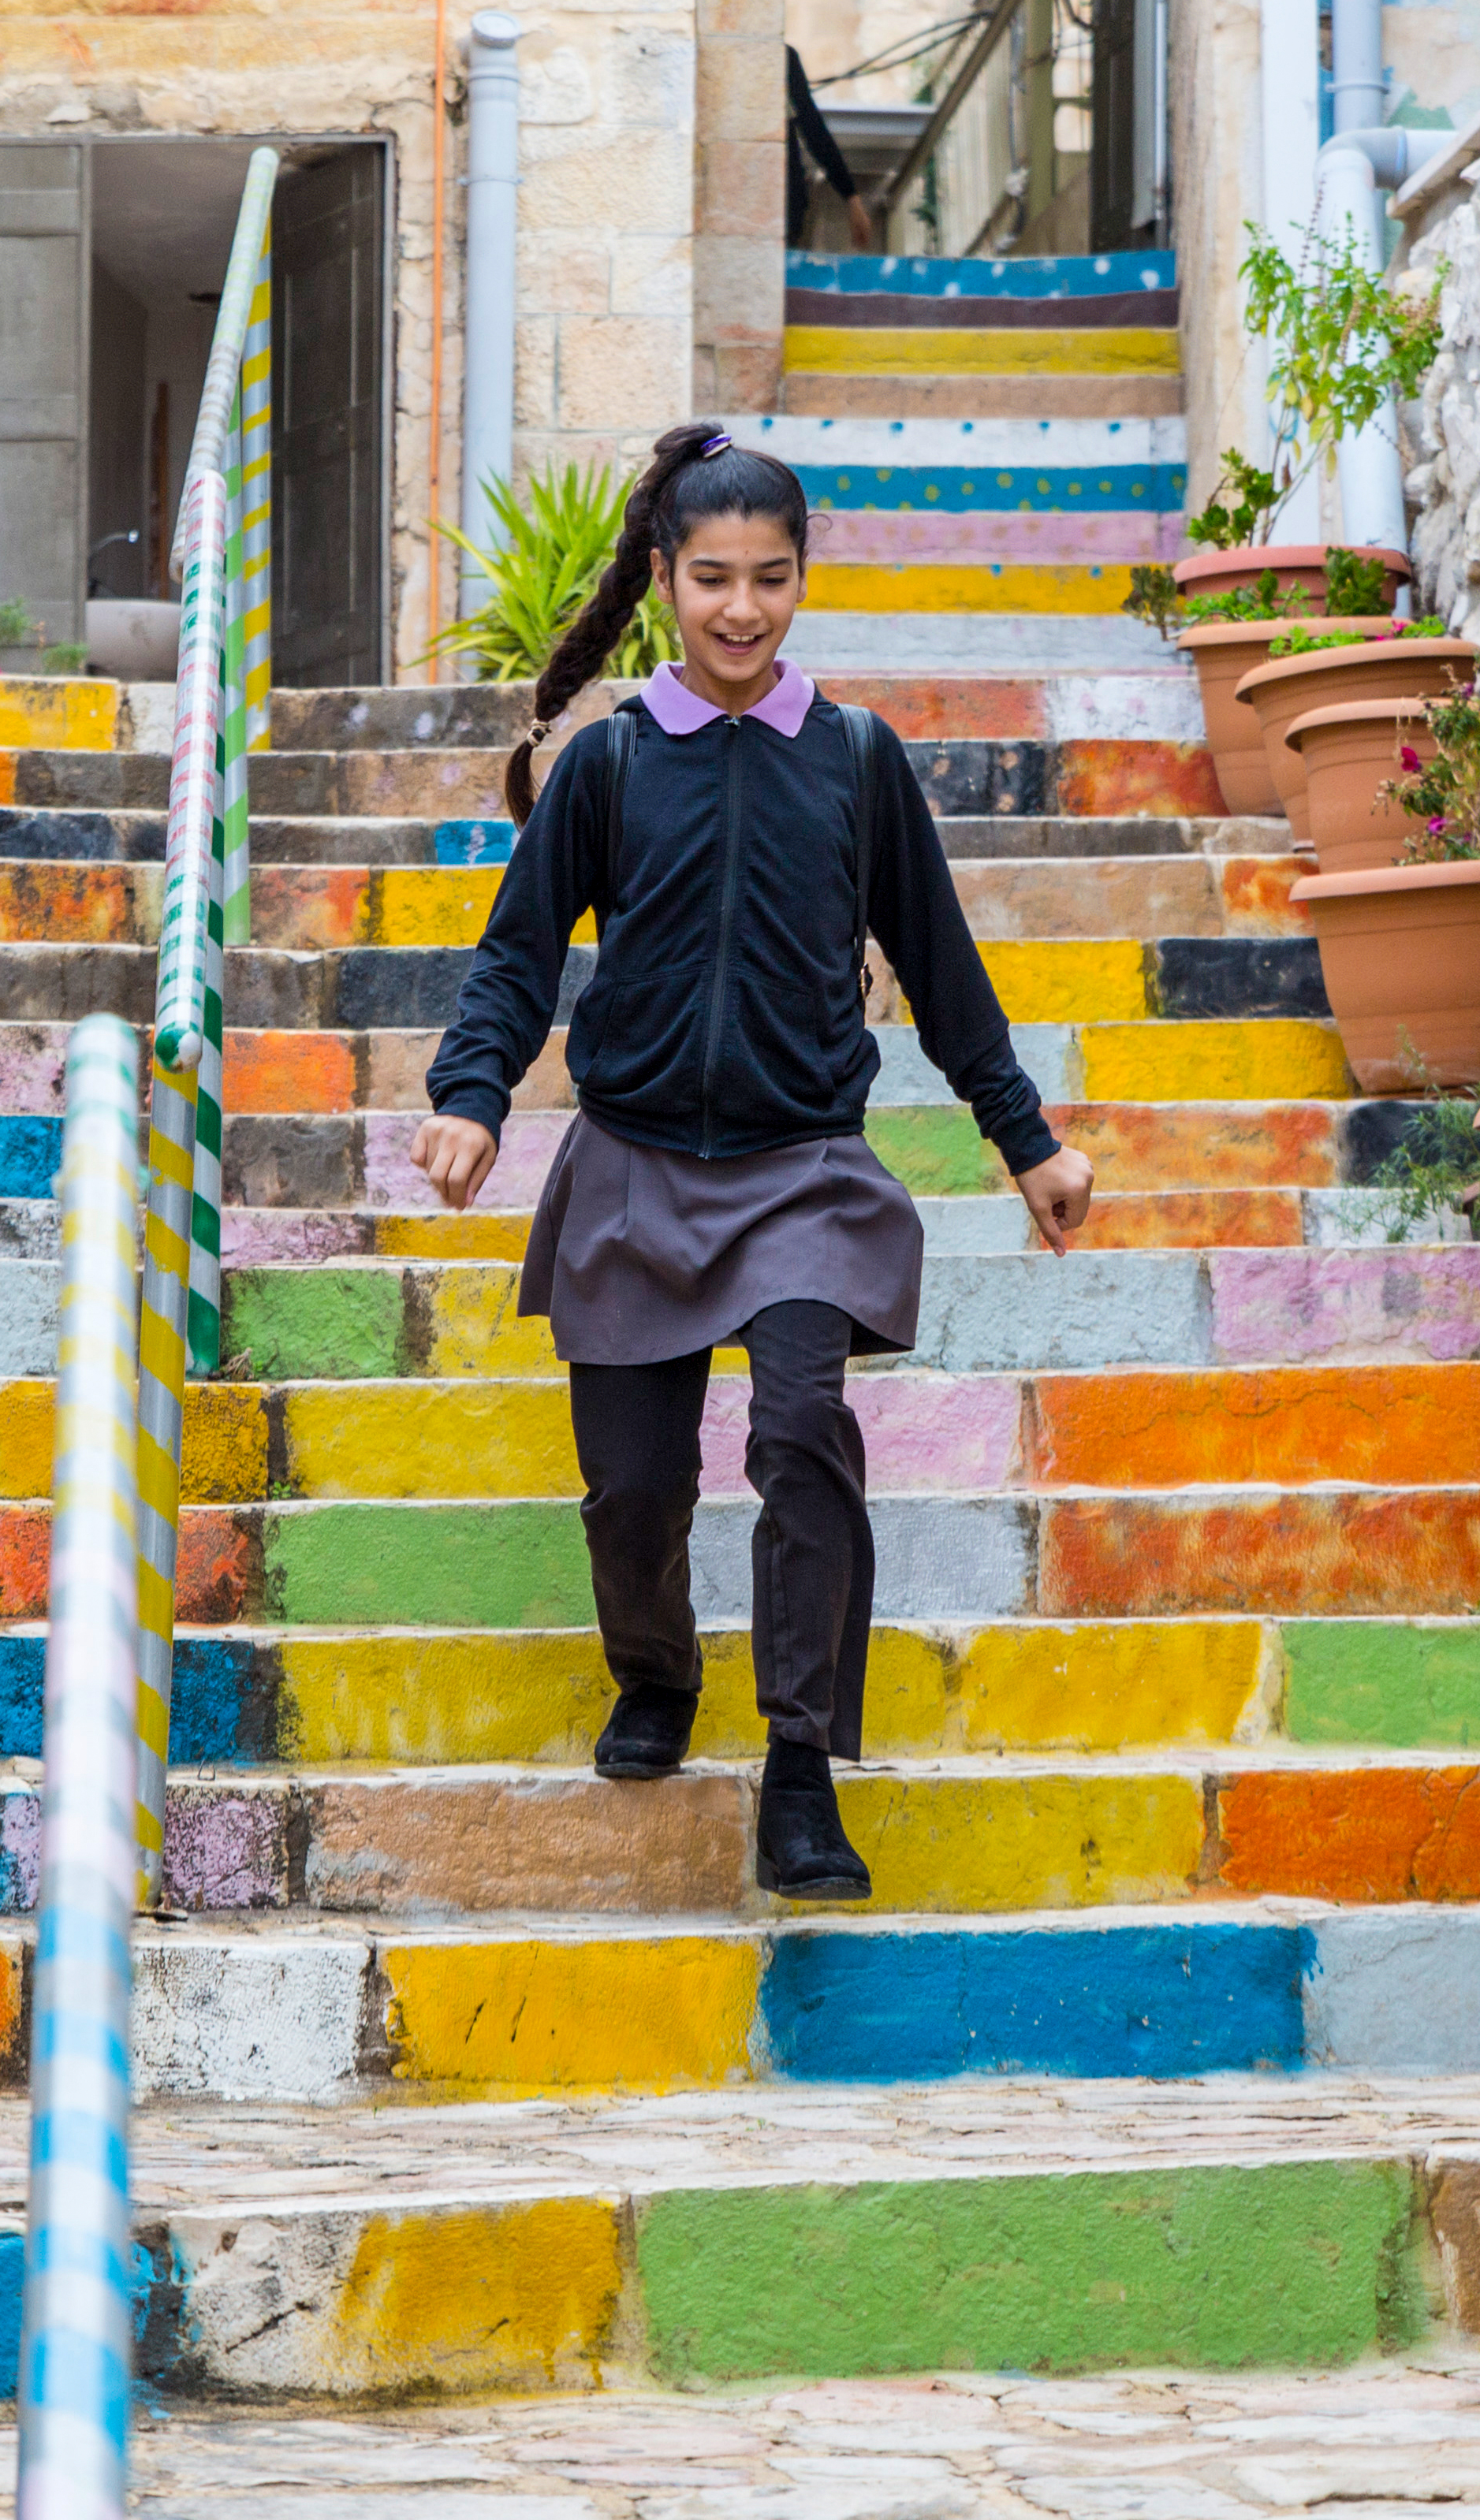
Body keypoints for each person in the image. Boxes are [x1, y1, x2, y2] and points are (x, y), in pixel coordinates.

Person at [413, 424, 1098, 1900]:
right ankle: (655, 1673)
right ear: (663, 580)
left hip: (800, 1172)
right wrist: (473, 1095)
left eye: (769, 580)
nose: (741, 609)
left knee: (802, 1441)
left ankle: (798, 1765)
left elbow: (943, 965)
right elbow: (514, 957)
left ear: (802, 582)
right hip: (635, 1170)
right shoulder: (604, 768)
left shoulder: (851, 763)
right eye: (712, 578)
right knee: (634, 1493)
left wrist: (1023, 1136)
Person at [786, 46, 880, 251]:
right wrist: (851, 198)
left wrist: (851, 197)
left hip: (784, 205)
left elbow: (813, 129)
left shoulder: (782, 58)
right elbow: (812, 128)